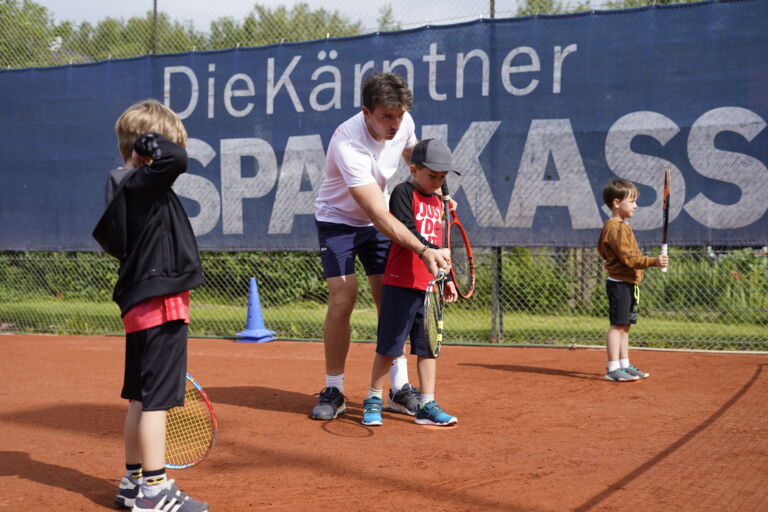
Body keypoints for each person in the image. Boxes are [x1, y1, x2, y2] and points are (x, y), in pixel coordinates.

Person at [312, 72, 450, 420]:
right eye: (386, 116)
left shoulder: (403, 123)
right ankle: (335, 388)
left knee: (391, 299)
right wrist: (422, 248)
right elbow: (375, 211)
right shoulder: (348, 143)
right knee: (344, 297)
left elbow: (413, 159)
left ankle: (398, 389)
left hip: (380, 216)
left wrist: (438, 195)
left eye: (399, 115)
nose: (395, 124)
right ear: (366, 112)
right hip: (339, 221)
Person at [92, 99, 208, 512]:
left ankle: (132, 483)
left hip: (143, 305)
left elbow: (171, 159)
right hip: (161, 305)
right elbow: (175, 158)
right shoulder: (139, 184)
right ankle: (154, 493)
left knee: (141, 398)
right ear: (146, 151)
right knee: (156, 400)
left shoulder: (126, 188)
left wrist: (146, 146)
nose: (172, 152)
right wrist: (150, 142)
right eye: (161, 145)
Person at [361, 138, 459, 427]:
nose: (438, 182)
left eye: (443, 177)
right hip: (400, 283)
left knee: (428, 347)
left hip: (429, 287)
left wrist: (448, 278)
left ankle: (427, 404)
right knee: (389, 347)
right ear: (414, 170)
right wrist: (433, 251)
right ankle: (374, 399)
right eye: (432, 176)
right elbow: (407, 229)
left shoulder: (440, 203)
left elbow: (444, 242)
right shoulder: (404, 193)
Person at [596, 178, 669, 382]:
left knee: (626, 326)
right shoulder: (616, 227)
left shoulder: (621, 226)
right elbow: (628, 258)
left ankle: (625, 365)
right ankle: (613, 369)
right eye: (632, 201)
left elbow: (603, 250)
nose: (636, 206)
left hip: (630, 283)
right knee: (617, 326)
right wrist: (654, 261)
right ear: (617, 203)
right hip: (619, 283)